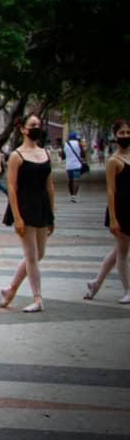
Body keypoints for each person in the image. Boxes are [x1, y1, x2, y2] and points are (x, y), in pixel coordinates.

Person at [0, 113, 55, 313]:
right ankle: (37, 297)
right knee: (31, 255)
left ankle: (10, 289)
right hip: (24, 206)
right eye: (32, 125)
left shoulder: (45, 153)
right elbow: (11, 188)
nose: (36, 128)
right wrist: (17, 216)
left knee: (39, 254)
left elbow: (49, 185)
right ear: (22, 129)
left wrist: (52, 215)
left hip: (42, 206)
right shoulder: (16, 156)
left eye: (38, 124)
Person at [84, 119, 130, 304]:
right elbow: (111, 190)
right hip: (121, 209)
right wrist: (113, 218)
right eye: (122, 133)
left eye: (128, 132)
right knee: (122, 252)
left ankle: (96, 283)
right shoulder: (113, 161)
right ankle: (127, 290)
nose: (126, 136)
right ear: (115, 136)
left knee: (118, 250)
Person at [63, 130, 86, 202]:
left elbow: (62, 156)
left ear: (69, 137)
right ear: (75, 137)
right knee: (76, 180)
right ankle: (74, 196)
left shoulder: (65, 144)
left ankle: (71, 195)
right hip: (77, 165)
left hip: (68, 166)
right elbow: (83, 154)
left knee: (70, 181)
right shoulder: (79, 144)